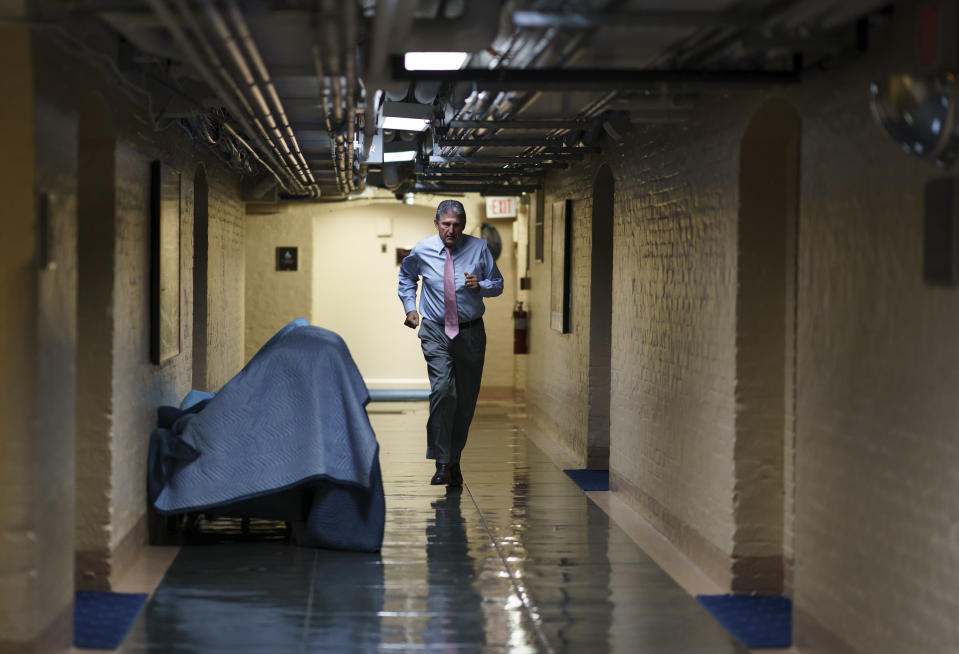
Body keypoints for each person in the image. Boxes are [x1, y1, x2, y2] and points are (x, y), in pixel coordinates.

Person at [398, 199, 504, 486]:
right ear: (436, 224)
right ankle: (442, 461)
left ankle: (454, 459)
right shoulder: (422, 249)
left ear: (463, 226)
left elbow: (498, 284)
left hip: (470, 332)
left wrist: (480, 285)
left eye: (457, 225)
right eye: (446, 224)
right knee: (444, 391)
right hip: (435, 329)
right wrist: (410, 308)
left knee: (465, 400)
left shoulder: (479, 248)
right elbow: (407, 278)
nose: (451, 230)